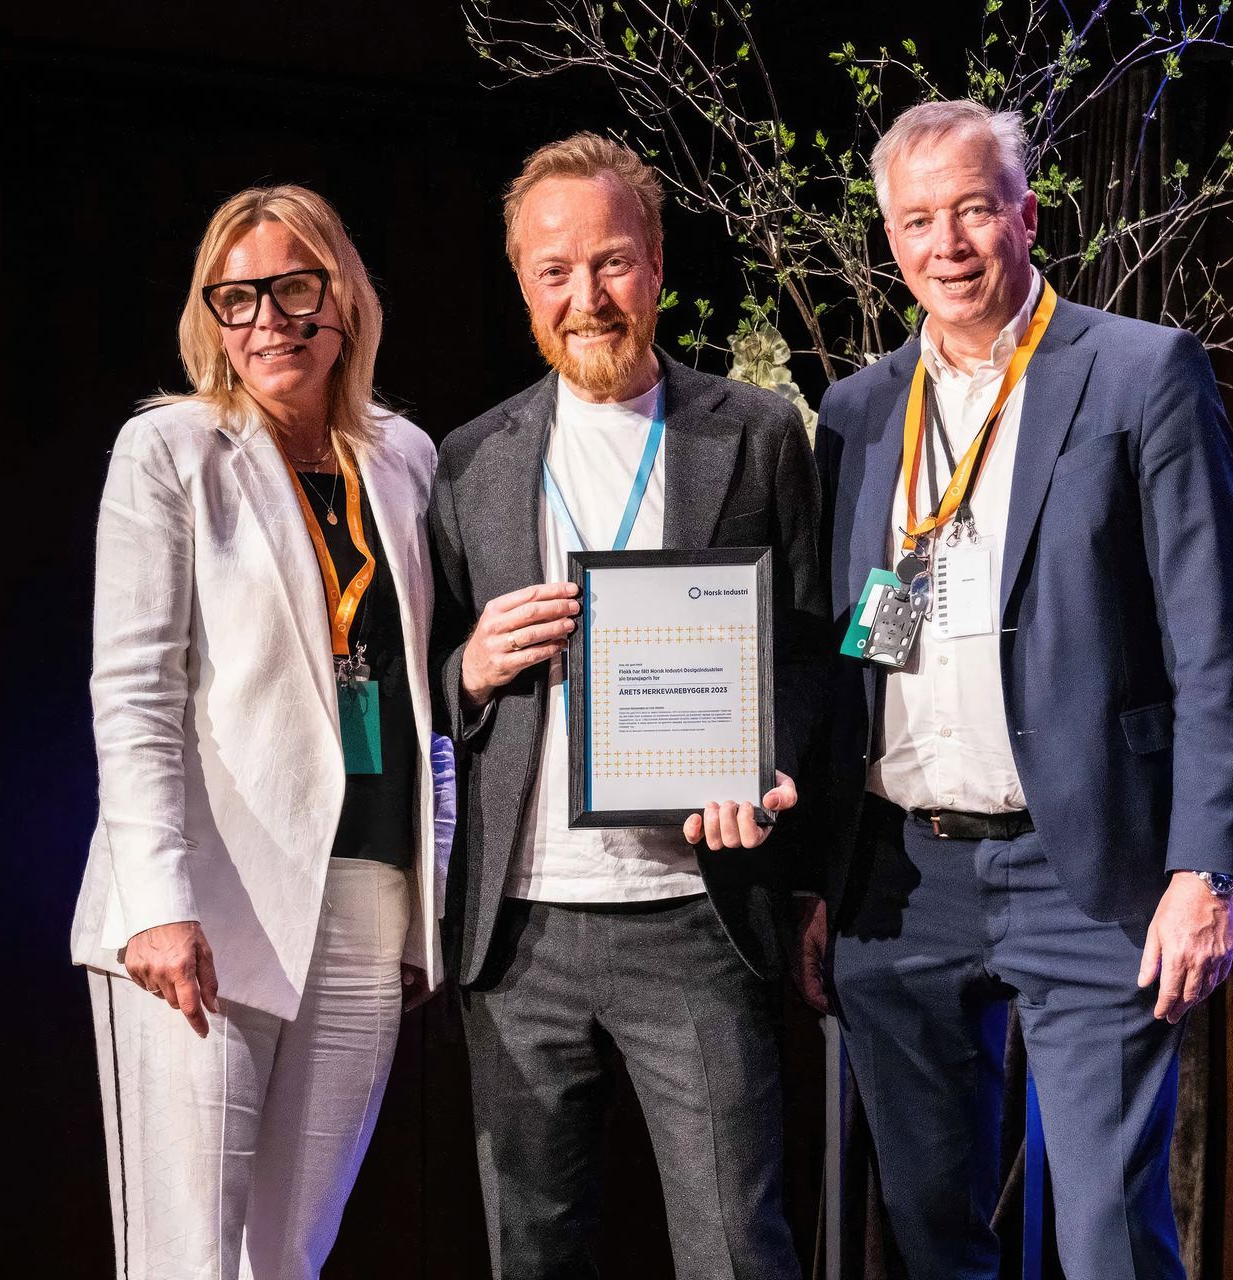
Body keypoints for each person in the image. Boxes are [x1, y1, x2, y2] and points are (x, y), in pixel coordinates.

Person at [806, 100, 1233, 1279]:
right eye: (917, 220)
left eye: (971, 209)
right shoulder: (857, 413)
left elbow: (1215, 646)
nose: (946, 243)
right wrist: (817, 871)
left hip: (1087, 871)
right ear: (889, 240)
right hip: (903, 881)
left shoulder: (1139, 372)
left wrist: (1204, 868)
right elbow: (836, 655)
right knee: (929, 1232)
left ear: (1026, 214)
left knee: (1107, 1233)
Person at [428, 133, 826, 1278]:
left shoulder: (752, 432)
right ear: (521, 282)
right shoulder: (468, 460)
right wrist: (469, 668)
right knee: (533, 1253)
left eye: (610, 262)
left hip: (694, 915)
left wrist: (776, 765)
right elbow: (426, 681)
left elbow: (806, 650)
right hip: (520, 928)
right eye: (554, 271)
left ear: (655, 266)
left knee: (737, 1252)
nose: (585, 296)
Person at [69, 184, 446, 1280]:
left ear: (345, 299)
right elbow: (132, 689)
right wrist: (156, 905)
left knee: (290, 1256)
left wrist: (428, 900)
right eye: (237, 298)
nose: (268, 321)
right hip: (210, 906)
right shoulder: (171, 450)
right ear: (210, 318)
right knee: (187, 1259)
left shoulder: (406, 458)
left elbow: (422, 686)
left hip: (366, 898)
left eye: (294, 288)